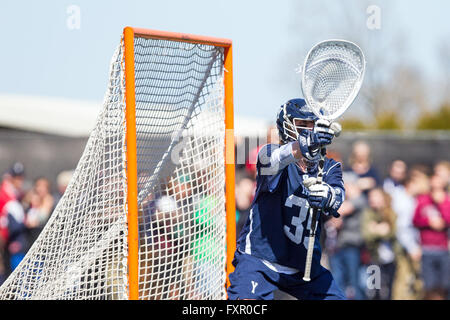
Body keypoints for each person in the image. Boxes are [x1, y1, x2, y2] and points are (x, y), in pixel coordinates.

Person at [227, 98, 345, 300]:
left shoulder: (329, 167)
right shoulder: (271, 154)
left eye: (313, 125)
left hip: (304, 267)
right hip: (260, 260)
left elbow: (338, 196)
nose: (309, 130)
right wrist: (304, 145)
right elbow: (276, 159)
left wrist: (327, 196)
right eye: (302, 125)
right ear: (287, 126)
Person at [327, 171, 366, 300]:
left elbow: (339, 210)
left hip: (352, 246)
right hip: (339, 245)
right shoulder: (348, 200)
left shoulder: (359, 199)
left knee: (355, 282)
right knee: (339, 281)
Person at [413, 173, 450, 300]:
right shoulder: (423, 200)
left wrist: (442, 204)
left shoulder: (446, 201)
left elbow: (448, 219)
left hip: (443, 249)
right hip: (427, 248)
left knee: (444, 285)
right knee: (429, 286)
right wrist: (428, 221)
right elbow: (415, 220)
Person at [361, 188, 399, 300]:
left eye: (375, 196)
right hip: (374, 257)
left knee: (389, 289)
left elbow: (392, 232)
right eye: (371, 197)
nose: (372, 199)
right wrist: (381, 229)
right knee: (375, 289)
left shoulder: (391, 213)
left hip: (391, 257)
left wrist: (375, 229)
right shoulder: (368, 213)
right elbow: (367, 235)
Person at [0, 162, 27, 278]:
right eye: (16, 178)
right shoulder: (5, 194)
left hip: (11, 240)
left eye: (20, 178)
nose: (19, 181)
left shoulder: (17, 194)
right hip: (5, 239)